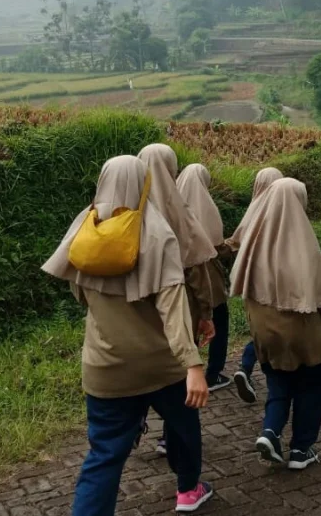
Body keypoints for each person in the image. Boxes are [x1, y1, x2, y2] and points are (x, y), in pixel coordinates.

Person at [42, 156, 213, 515]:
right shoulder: (156, 230)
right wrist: (193, 365)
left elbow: (80, 293)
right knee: (184, 429)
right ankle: (188, 489)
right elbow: (173, 307)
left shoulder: (83, 228)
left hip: (106, 367)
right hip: (161, 367)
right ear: (145, 183)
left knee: (104, 456)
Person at [228, 178, 321, 470]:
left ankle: (270, 432)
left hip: (266, 335)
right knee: (311, 388)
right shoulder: (303, 243)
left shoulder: (254, 241)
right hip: (304, 336)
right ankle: (301, 449)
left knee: (278, 386)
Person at [137, 144, 219, 455]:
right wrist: (206, 312)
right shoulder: (178, 209)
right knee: (178, 373)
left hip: (140, 309)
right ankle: (171, 438)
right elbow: (197, 268)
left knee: (147, 369)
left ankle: (138, 420)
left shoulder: (129, 206)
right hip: (180, 306)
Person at [176, 163, 233, 393]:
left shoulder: (172, 205)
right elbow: (217, 246)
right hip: (209, 278)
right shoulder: (207, 207)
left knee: (188, 324)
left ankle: (186, 372)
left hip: (181, 280)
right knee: (219, 321)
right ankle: (213, 373)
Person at [232, 167, 284, 405]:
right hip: (277, 283)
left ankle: (245, 366)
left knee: (258, 328)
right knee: (278, 327)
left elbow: (235, 241)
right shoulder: (283, 210)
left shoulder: (253, 210)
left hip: (250, 283)